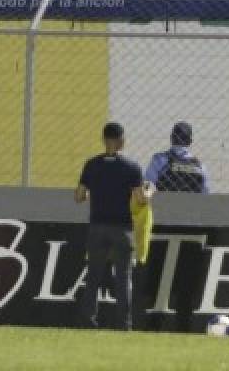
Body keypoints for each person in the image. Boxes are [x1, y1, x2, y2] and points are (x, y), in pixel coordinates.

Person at [75, 121, 153, 330]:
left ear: (103, 140)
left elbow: (79, 196)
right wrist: (150, 192)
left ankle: (88, 322)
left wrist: (98, 192)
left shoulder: (91, 165)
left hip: (97, 227)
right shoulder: (131, 167)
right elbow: (140, 199)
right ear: (121, 141)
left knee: (93, 277)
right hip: (122, 229)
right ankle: (123, 324)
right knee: (123, 278)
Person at [145, 121, 211, 193]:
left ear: (171, 138)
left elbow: (147, 186)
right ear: (190, 141)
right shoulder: (200, 167)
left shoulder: (159, 160)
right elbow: (206, 192)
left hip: (164, 203)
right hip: (191, 203)